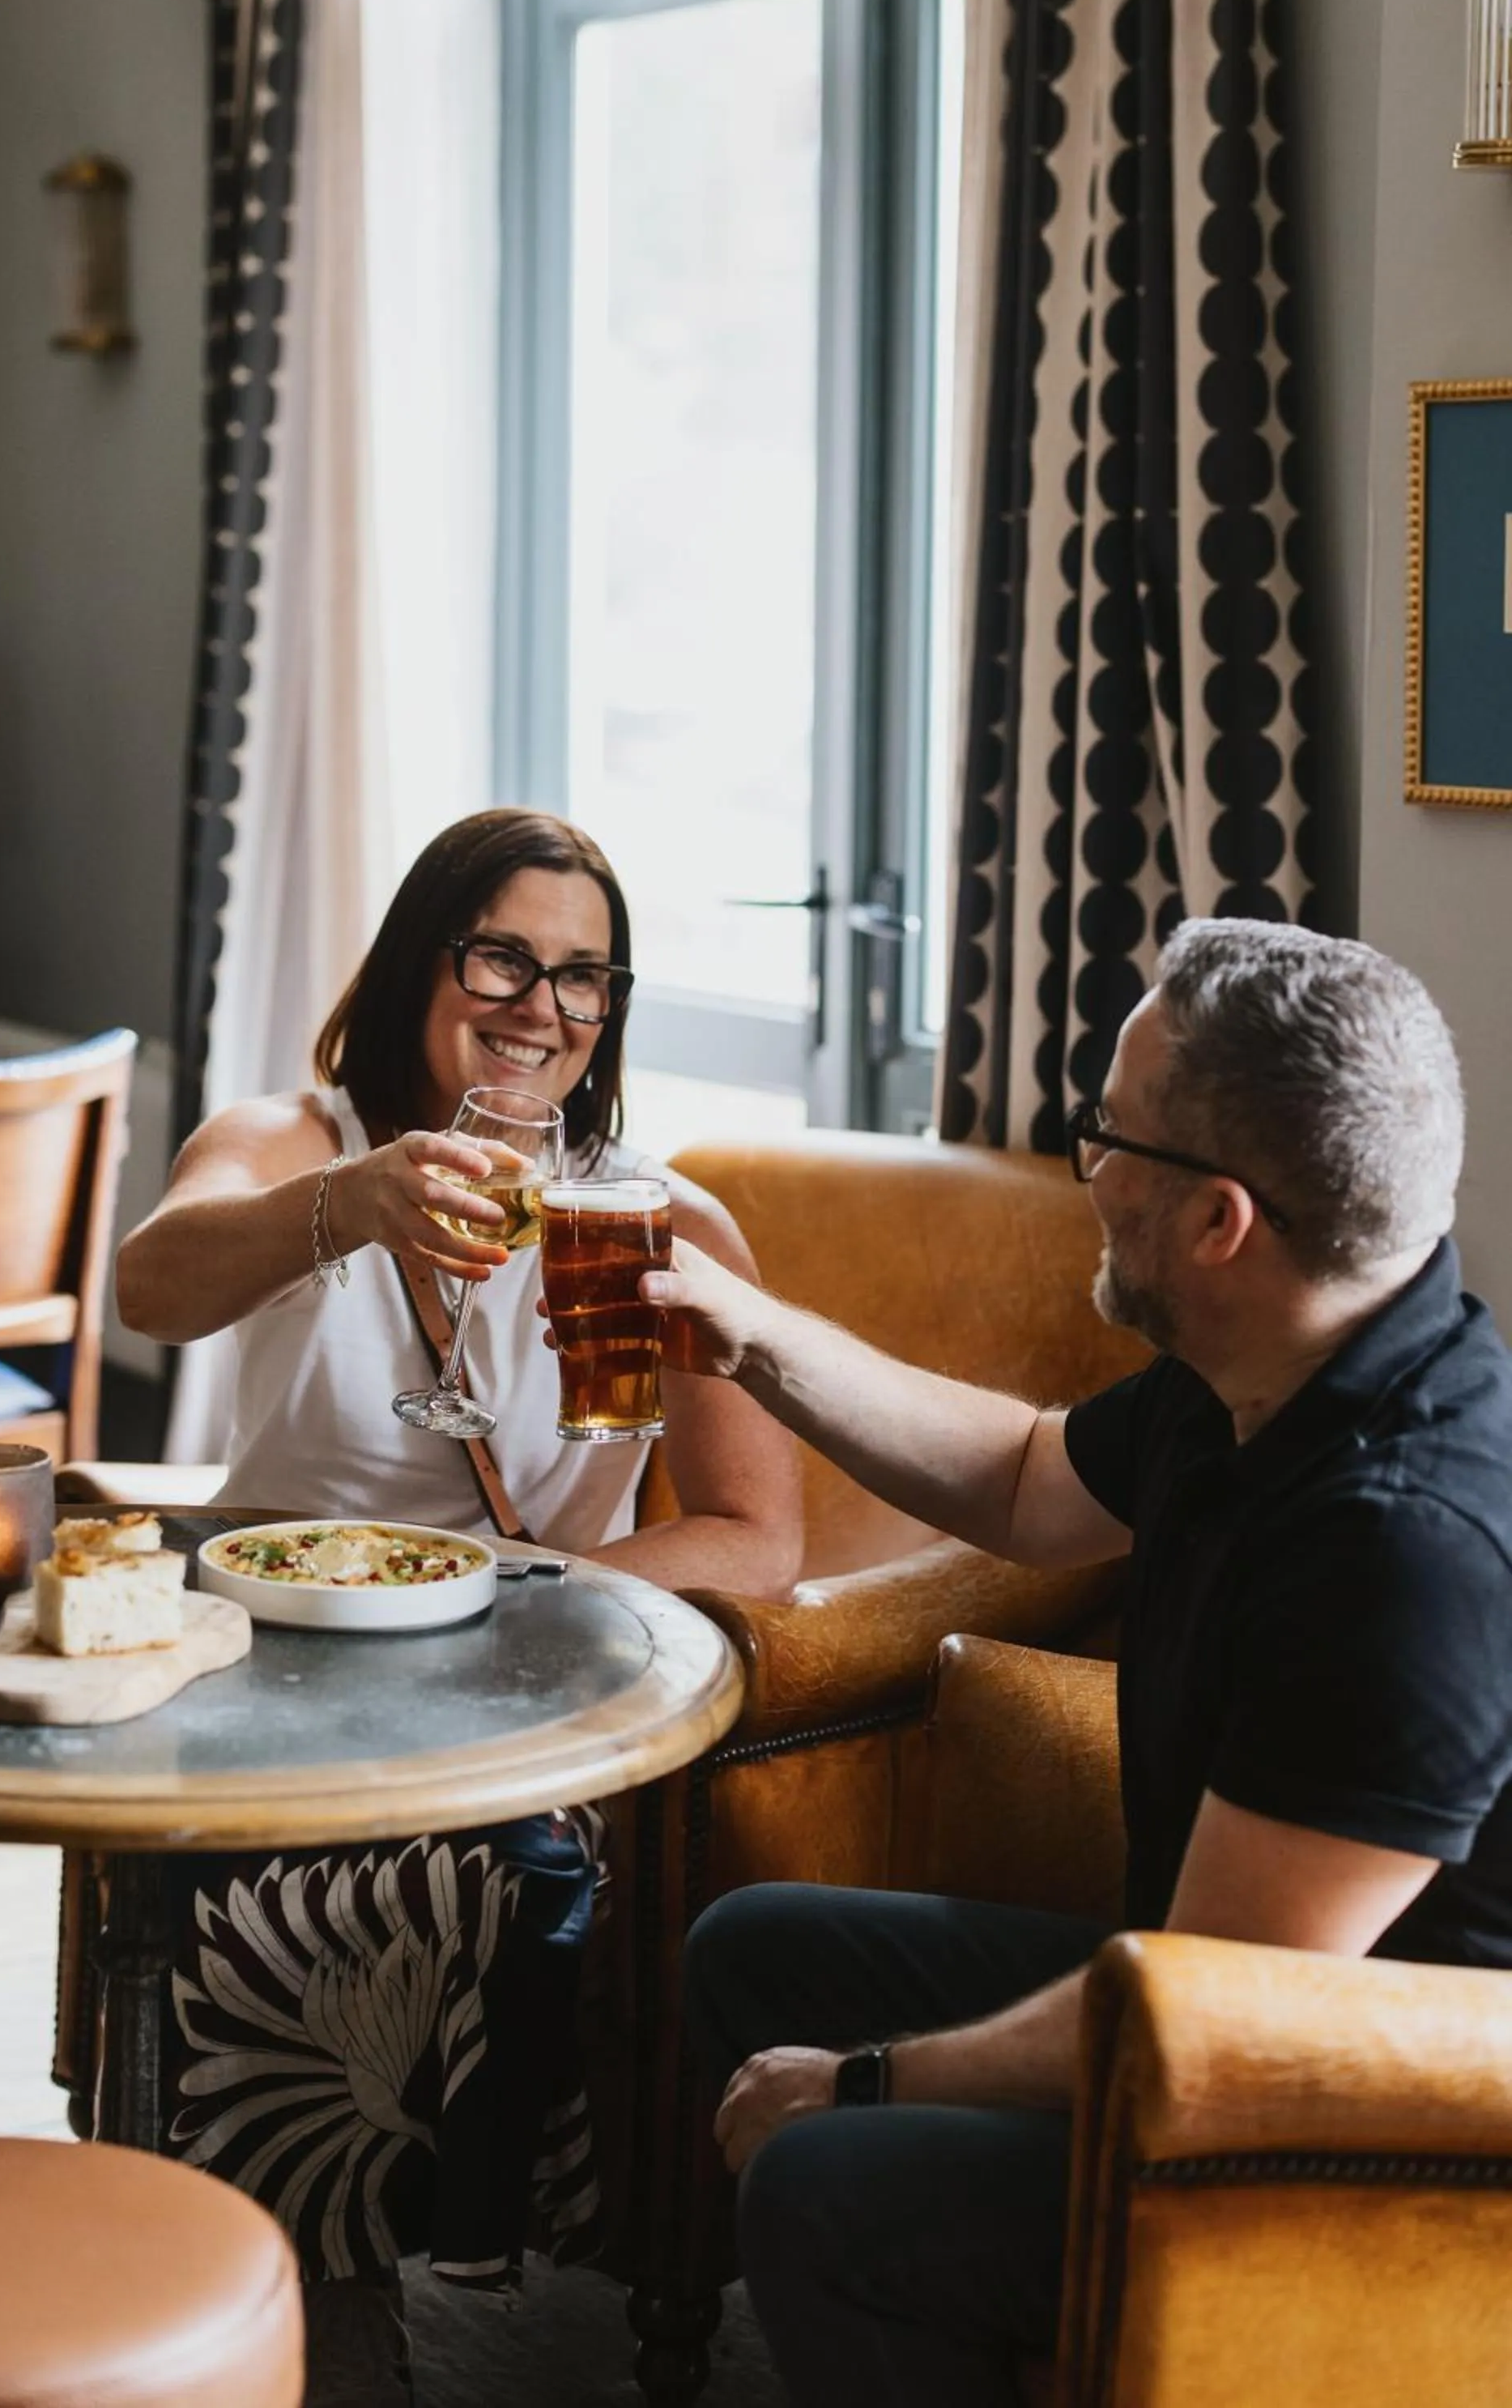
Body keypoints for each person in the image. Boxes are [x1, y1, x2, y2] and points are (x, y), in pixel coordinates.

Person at [650, 918, 1512, 2408]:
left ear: (1219, 1220)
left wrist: (862, 2084)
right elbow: (1023, 1480)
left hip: (1369, 2122)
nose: (1089, 1168)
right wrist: (755, 1335)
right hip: (1213, 2000)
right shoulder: (1274, 1358)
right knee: (756, 1950)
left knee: (830, 2189)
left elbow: (1217, 2002)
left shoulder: (1402, 1550)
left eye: (1108, 1135)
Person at [116, 808, 801, 2393]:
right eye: (503, 957)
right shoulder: (291, 1145)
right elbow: (151, 1287)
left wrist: (506, 1599)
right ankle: (297, 2283)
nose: (541, 1007)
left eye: (583, 976)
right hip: (277, 1662)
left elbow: (756, 1536)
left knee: (487, 1859)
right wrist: (352, 1204)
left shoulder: (652, 1219)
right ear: (422, 961)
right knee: (265, 1842)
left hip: (518, 1683)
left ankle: (389, 2239)